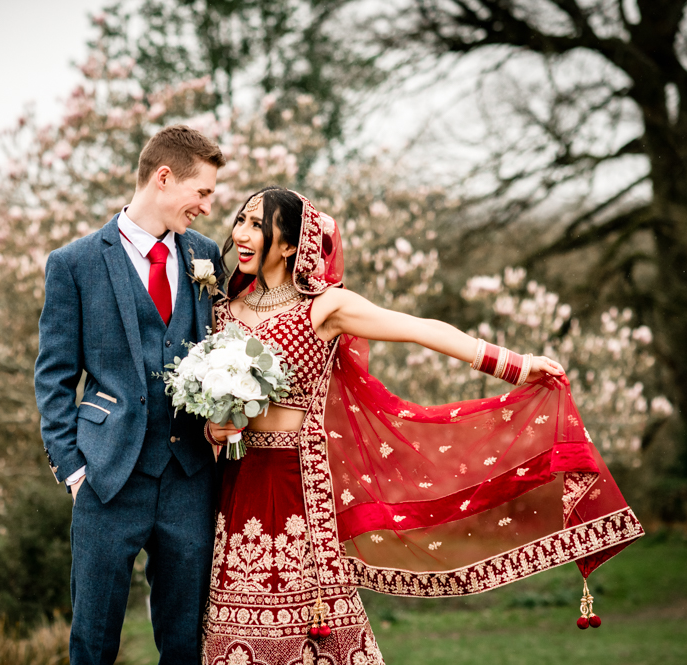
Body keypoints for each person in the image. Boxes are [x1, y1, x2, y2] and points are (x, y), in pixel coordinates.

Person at [202, 187, 644, 663]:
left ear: (290, 245)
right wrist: (214, 428)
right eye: (240, 221)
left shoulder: (323, 307)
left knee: (310, 629)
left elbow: (420, 327)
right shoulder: (224, 309)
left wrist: (516, 365)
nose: (240, 234)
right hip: (237, 481)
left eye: (256, 225)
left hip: (298, 485)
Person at [34, 125, 228, 664]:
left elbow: (224, 346)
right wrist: (74, 470)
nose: (208, 208)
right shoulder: (73, 263)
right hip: (106, 477)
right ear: (164, 178)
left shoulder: (206, 255)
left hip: (189, 475)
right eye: (203, 192)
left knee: (186, 641)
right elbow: (54, 377)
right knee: (93, 642)